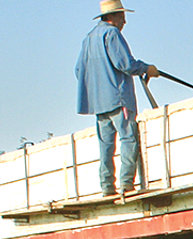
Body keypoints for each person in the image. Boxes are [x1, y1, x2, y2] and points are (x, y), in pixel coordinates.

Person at [77, 0, 158, 196]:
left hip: (98, 103)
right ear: (113, 17)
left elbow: (79, 70)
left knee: (105, 146)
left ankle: (107, 187)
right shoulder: (112, 34)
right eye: (122, 16)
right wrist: (147, 69)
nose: (125, 22)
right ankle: (126, 184)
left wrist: (96, 86)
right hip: (118, 98)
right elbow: (125, 64)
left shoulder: (88, 38)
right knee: (128, 138)